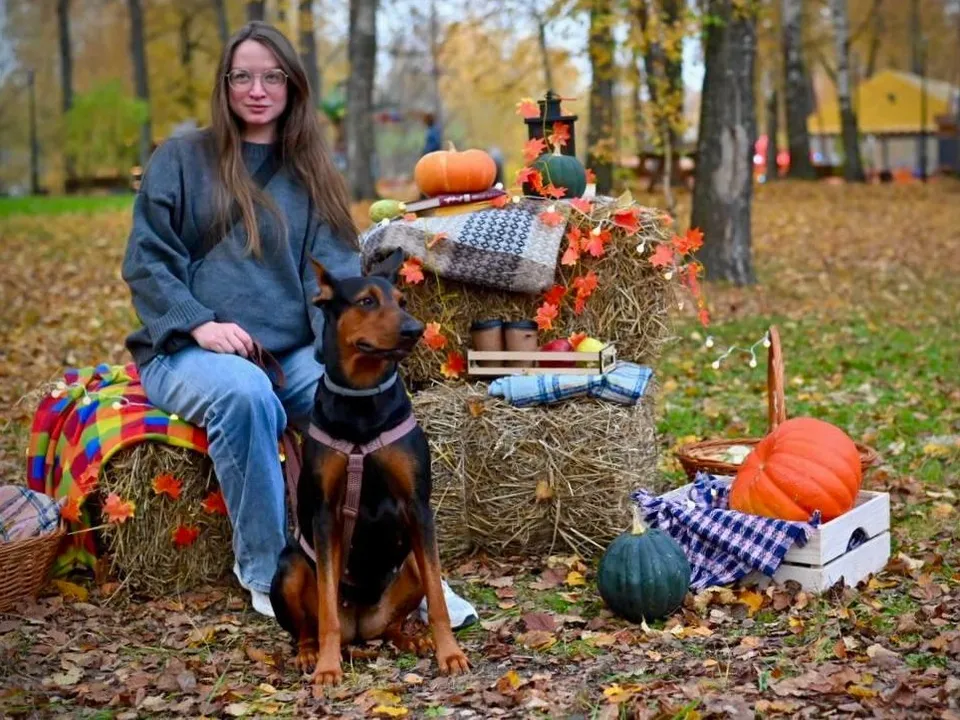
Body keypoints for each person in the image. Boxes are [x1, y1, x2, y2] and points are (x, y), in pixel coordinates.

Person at [122, 21, 476, 629]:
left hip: (290, 351)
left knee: (361, 406)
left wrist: (340, 367)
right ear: (225, 84)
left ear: (292, 85)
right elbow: (146, 262)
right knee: (245, 393)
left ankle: (404, 578)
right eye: (243, 76)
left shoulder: (312, 172)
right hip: (186, 351)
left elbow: (338, 283)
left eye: (271, 76)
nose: (257, 89)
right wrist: (200, 325)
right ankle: (264, 570)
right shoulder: (181, 160)